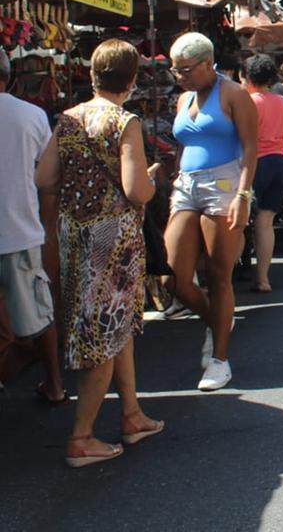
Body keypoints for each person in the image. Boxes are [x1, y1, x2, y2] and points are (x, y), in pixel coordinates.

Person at [34, 40, 164, 466]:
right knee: (104, 335)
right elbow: (135, 189)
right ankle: (81, 437)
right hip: (113, 240)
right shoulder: (124, 122)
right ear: (131, 79)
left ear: (92, 74)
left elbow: (45, 177)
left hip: (76, 233)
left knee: (115, 327)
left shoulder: (68, 119)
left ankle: (131, 414)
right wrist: (152, 180)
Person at [165, 32, 258, 391]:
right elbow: (183, 143)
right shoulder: (184, 97)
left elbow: (251, 149)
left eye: (186, 70)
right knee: (173, 277)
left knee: (219, 276)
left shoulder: (234, 95)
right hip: (187, 183)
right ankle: (218, 320)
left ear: (208, 63)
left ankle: (220, 360)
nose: (180, 77)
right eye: (176, 71)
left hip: (224, 183)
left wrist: (243, 195)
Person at [0, 48, 66, 407]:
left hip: (19, 228)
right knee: (40, 314)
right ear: (9, 77)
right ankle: (54, 383)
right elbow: (48, 174)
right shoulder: (31, 115)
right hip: (21, 229)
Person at [244, 55, 283, 293]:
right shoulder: (282, 101)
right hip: (279, 162)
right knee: (265, 222)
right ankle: (263, 278)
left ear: (247, 77)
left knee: (241, 221)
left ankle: (228, 275)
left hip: (257, 164)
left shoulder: (250, 102)